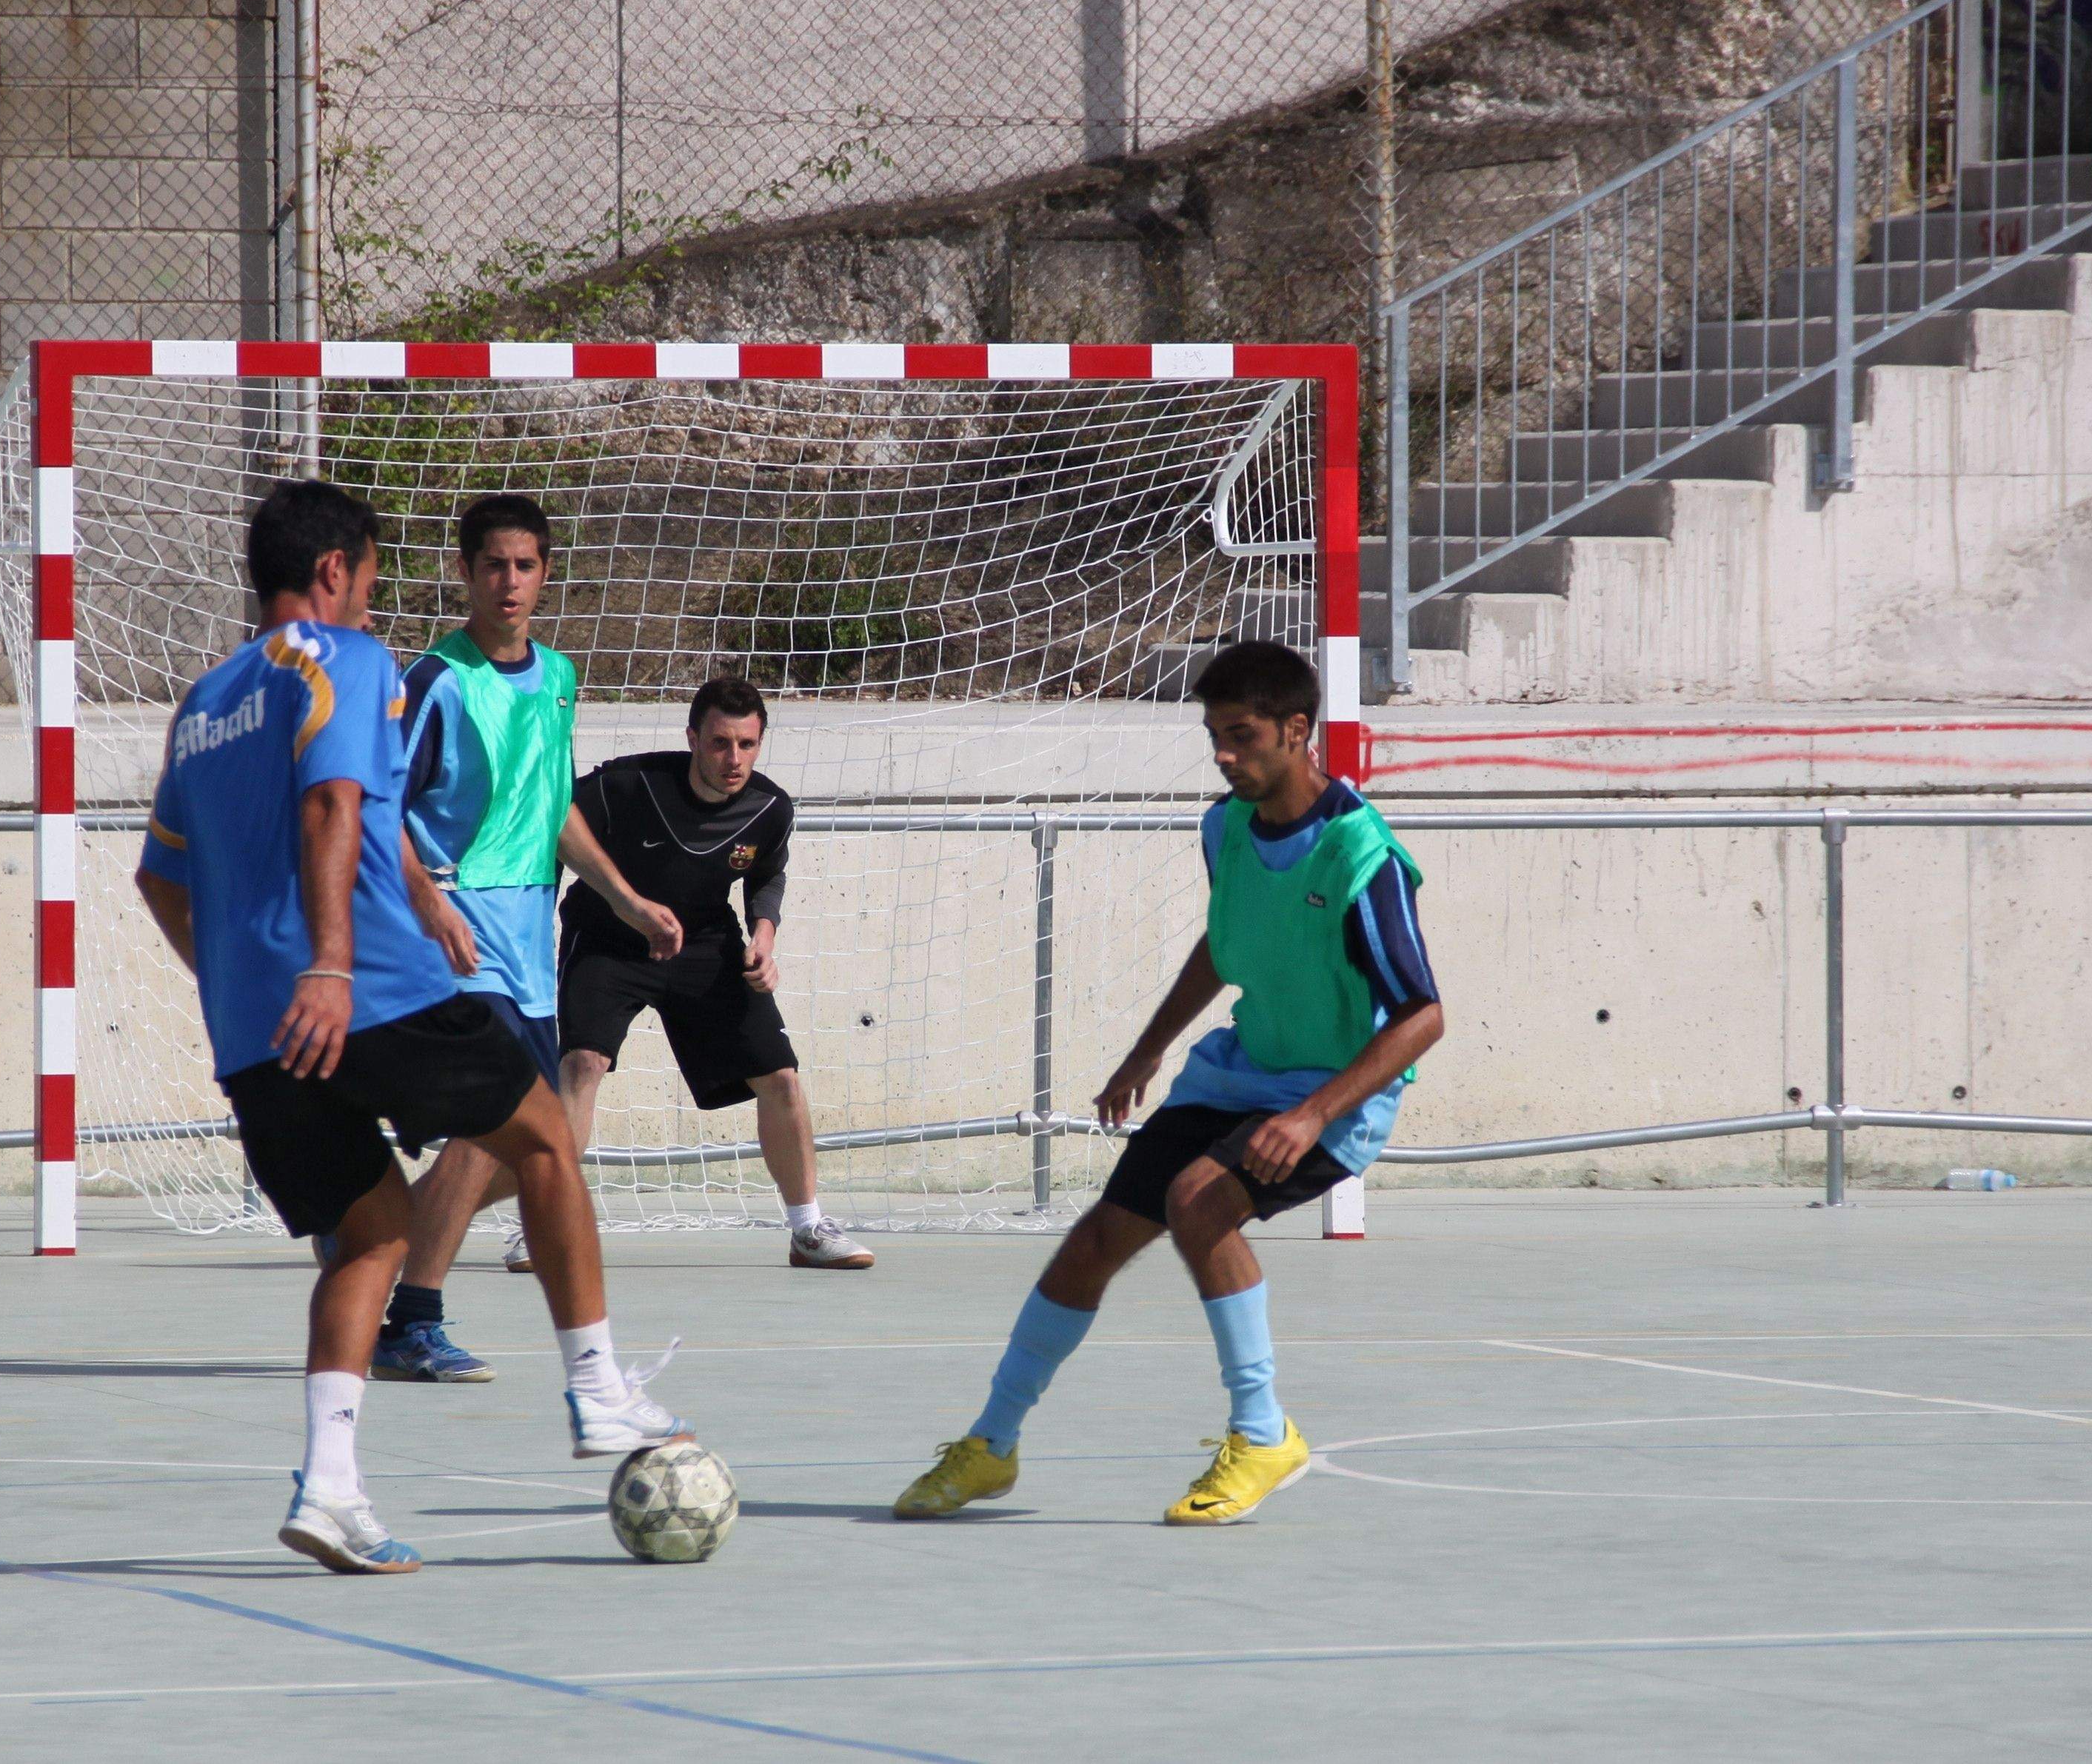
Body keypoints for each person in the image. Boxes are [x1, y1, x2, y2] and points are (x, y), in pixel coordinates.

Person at [133, 478, 692, 1575]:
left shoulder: (200, 705)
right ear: (335, 571)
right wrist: (333, 966)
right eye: (373, 580)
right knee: (544, 1140)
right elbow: (335, 806)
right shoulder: (346, 660)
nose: (375, 603)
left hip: (259, 1031)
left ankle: (330, 1489)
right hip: (372, 988)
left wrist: (243, 982)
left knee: (371, 1234)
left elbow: (160, 882)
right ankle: (599, 1394)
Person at [892, 639, 1440, 1526]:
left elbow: (1422, 1014)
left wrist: (1308, 1115)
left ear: (1298, 732)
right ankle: (991, 1444)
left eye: (1243, 735)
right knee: (1094, 1240)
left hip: (1334, 1096)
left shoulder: (1358, 854)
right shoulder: (1225, 826)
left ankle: (1263, 1433)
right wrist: (1146, 1050)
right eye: (1213, 735)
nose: (1224, 754)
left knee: (1199, 1200)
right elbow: (1225, 943)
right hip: (1238, 1071)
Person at [369, 494, 684, 1386]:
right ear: (464, 571)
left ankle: (376, 1230)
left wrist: (625, 897)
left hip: (529, 943)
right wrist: (432, 904)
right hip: (459, 939)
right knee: (490, 1125)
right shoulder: (434, 679)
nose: (510, 581)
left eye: (526, 565)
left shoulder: (557, 677)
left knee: (540, 1145)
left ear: (546, 574)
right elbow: (376, 808)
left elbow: (550, 813)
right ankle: (412, 1318)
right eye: (493, 565)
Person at [555, 677, 874, 1272]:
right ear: (693, 739)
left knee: (781, 1078)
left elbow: (766, 876)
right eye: (721, 744)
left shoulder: (770, 807)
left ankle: (807, 1229)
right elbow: (554, 831)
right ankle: (546, 1225)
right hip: (607, 937)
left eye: (748, 745)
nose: (734, 760)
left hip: (704, 943)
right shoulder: (628, 784)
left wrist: (763, 938)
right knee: (583, 1063)